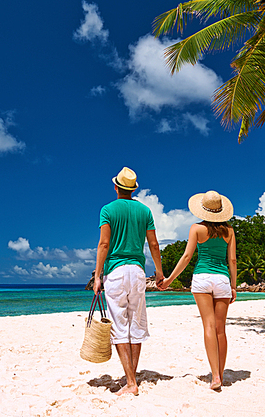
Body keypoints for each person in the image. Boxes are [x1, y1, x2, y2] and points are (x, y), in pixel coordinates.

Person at [93, 167, 164, 396]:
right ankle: (131, 377)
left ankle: (131, 382)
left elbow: (104, 244)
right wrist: (160, 272)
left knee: (120, 326)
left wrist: (97, 276)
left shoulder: (107, 210)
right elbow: (153, 244)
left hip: (115, 272)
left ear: (116, 187)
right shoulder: (145, 211)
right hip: (137, 271)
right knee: (136, 324)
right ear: (134, 189)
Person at [160, 190, 237, 391]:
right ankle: (221, 372)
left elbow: (186, 257)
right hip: (222, 279)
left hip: (202, 278)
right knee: (221, 329)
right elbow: (232, 260)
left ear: (203, 209)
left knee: (209, 327)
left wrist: (169, 280)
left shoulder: (196, 228)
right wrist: (234, 286)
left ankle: (215, 377)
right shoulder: (229, 231)